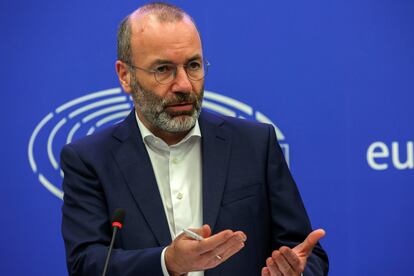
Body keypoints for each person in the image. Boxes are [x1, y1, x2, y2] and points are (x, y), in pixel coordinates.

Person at [61, 2, 329, 276]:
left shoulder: (255, 145)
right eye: (163, 69)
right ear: (125, 76)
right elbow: (87, 264)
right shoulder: (90, 160)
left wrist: (296, 272)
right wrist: (168, 263)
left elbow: (305, 252)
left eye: (193, 65)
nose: (184, 85)